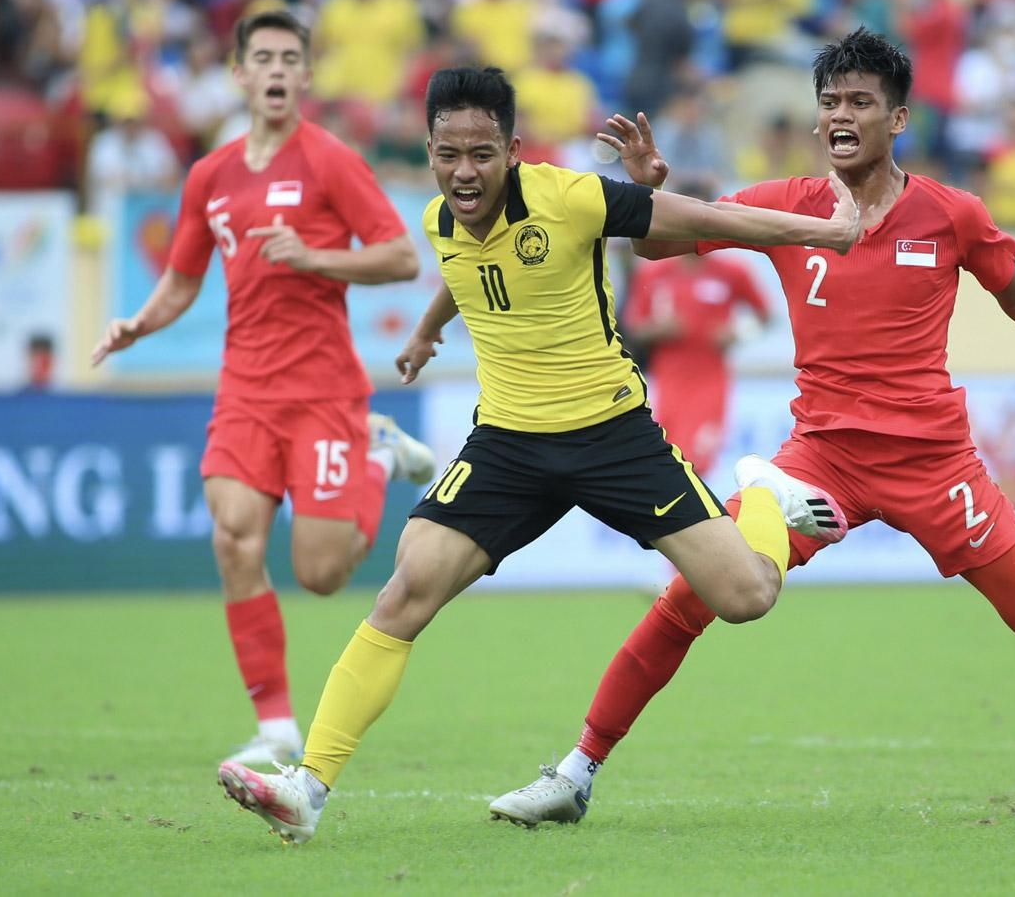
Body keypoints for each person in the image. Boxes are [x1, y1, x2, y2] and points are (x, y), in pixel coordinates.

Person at [486, 28, 1015, 827]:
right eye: (831, 103)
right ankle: (576, 772)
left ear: (898, 118)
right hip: (822, 459)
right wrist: (646, 194)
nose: (841, 115)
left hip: (935, 464)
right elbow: (664, 245)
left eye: (860, 102)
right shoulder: (784, 208)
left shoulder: (951, 214)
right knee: (690, 595)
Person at [214, 65, 863, 845]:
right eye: (448, 153)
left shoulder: (572, 198)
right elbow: (467, 270)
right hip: (509, 445)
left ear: (512, 150)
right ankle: (307, 787)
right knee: (405, 589)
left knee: (748, 594)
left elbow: (712, 219)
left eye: (482, 153)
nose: (464, 171)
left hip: (612, 434)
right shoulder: (440, 220)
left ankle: (762, 492)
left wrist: (820, 231)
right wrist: (426, 330)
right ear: (427, 149)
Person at [91, 9, 437, 767]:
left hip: (322, 392)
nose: (278, 70)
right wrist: (137, 326)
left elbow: (399, 258)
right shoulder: (209, 176)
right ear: (239, 74)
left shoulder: (331, 160)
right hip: (245, 389)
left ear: (306, 77)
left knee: (320, 573)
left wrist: (315, 258)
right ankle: (276, 723)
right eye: (264, 58)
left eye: (290, 58)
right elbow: (182, 282)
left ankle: (377, 451)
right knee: (233, 536)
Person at [622, 193, 772, 474]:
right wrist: (658, 330)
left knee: (697, 463)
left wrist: (738, 332)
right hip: (666, 381)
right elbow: (632, 328)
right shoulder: (654, 272)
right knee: (666, 462)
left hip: (710, 381)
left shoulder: (732, 271)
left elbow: (765, 316)